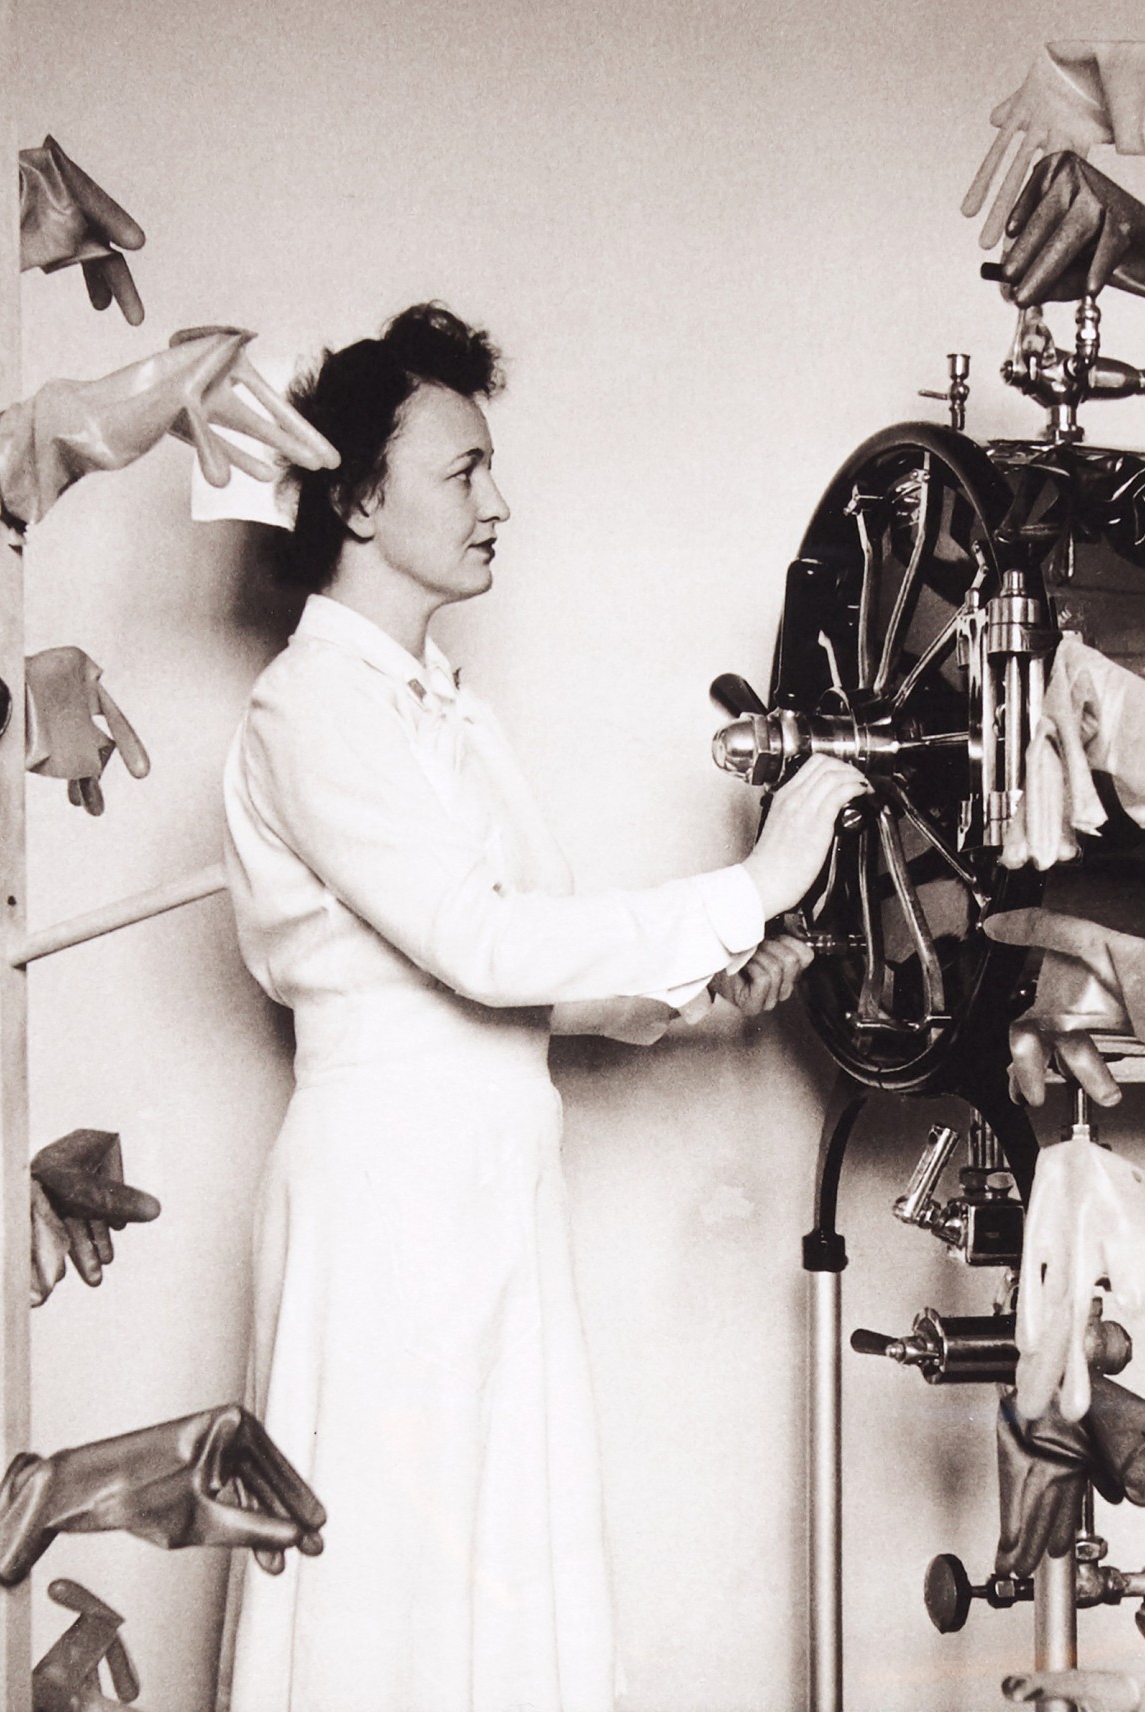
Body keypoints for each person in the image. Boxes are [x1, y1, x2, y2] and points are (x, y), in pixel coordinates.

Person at [218, 304, 865, 1712]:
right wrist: (748, 883)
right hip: (386, 1210)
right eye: (464, 472)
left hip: (491, 1194)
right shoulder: (310, 709)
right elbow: (482, 947)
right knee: (376, 1597)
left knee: (496, 1595)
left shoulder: (444, 708)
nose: (498, 504)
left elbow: (531, 982)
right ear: (359, 496)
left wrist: (696, 996)